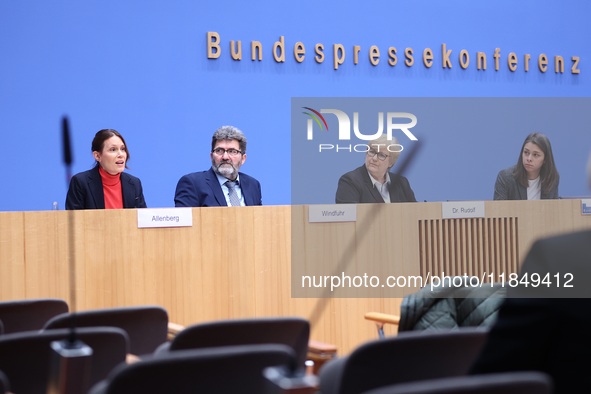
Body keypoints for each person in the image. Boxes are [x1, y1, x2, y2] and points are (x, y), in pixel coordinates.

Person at [470, 152, 591, 394]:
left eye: (536, 154)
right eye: (526, 153)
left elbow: (498, 372)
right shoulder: (506, 177)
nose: (529, 158)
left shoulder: (559, 258)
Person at [174, 125, 262, 207]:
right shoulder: (192, 184)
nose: (225, 157)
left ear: (243, 158)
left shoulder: (253, 185)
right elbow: (185, 222)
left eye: (232, 151)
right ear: (211, 156)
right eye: (219, 150)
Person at [66, 129, 147, 210]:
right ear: (97, 156)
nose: (121, 154)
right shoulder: (81, 183)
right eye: (113, 149)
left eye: (122, 149)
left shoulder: (134, 183)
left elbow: (144, 220)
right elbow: (73, 221)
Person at [335, 134, 416, 203]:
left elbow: (416, 213)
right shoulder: (350, 181)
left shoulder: (401, 183)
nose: (374, 158)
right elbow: (349, 218)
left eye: (381, 155)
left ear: (391, 162)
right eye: (372, 152)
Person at [493, 132, 559, 200]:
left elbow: (553, 209)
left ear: (545, 159)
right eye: (526, 153)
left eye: (535, 155)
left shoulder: (551, 178)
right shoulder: (505, 178)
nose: (529, 159)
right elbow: (498, 209)